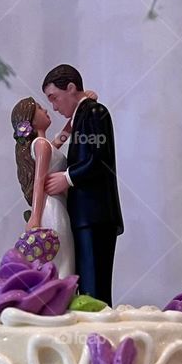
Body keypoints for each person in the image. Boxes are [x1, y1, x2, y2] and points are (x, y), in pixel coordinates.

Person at [41, 64, 122, 304]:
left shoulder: (95, 112)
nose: (54, 107)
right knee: (86, 285)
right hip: (84, 215)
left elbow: (99, 159)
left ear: (71, 88)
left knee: (94, 288)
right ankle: (92, 333)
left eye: (54, 98)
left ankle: (98, 336)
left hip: (95, 215)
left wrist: (67, 177)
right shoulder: (81, 117)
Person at [9, 96, 75, 278]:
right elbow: (39, 181)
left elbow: (64, 134)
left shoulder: (45, 144)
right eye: (39, 108)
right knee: (63, 256)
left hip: (55, 204)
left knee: (61, 256)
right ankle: (62, 293)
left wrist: (81, 105)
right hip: (51, 208)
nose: (45, 110)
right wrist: (35, 217)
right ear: (30, 119)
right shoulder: (41, 145)